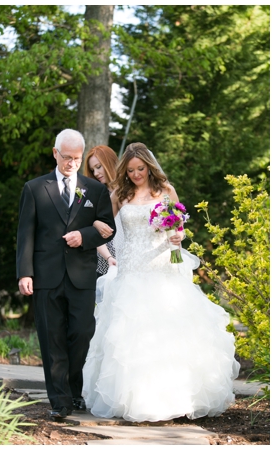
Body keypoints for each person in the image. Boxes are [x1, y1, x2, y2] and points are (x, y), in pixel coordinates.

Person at [82, 143, 239, 422]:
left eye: (140, 169)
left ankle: (174, 398)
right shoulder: (120, 193)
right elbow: (103, 222)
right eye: (130, 170)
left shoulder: (165, 191)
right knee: (129, 334)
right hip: (131, 269)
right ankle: (135, 399)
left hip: (162, 267)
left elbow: (177, 226)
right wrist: (94, 233)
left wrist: (178, 235)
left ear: (149, 166)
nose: (136, 174)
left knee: (169, 332)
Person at [16, 128, 115, 420]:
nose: (72, 163)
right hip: (45, 277)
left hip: (82, 276)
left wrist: (83, 236)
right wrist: (25, 273)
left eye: (77, 158)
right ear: (55, 153)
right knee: (51, 337)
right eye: (66, 157)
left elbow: (108, 228)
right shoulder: (34, 188)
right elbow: (26, 234)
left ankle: (74, 388)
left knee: (82, 334)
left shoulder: (94, 190)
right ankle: (60, 401)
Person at [84, 145, 119, 276]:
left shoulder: (130, 189)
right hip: (106, 257)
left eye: (99, 167)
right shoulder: (96, 195)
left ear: (110, 162)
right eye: (93, 170)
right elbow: (94, 230)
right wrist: (109, 257)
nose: (96, 173)